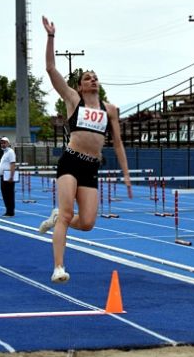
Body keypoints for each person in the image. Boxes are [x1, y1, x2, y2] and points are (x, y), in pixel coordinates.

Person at [38, 16, 132, 284]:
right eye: (87, 78)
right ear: (80, 85)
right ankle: (58, 267)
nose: (92, 80)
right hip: (70, 162)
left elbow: (118, 142)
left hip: (91, 166)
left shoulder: (110, 109)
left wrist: (125, 174)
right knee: (68, 213)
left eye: (95, 77)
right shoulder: (73, 100)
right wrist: (51, 37)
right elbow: (50, 68)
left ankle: (58, 219)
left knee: (88, 223)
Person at [0, 137, 16, 217]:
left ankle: (10, 212)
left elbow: (13, 164)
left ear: (8, 143)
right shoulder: (5, 152)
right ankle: (8, 210)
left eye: (4, 143)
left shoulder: (10, 152)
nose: (3, 144)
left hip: (8, 176)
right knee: (5, 194)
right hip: (3, 176)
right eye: (1, 143)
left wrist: (11, 176)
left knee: (9, 194)